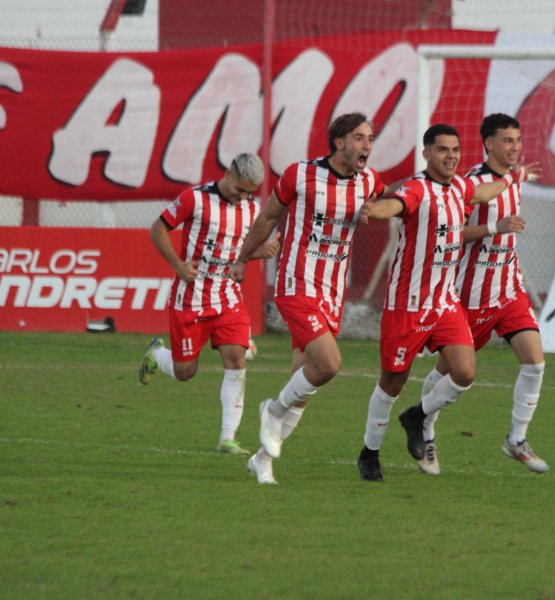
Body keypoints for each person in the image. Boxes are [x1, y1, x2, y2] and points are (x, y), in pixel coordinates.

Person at [354, 123, 532, 482]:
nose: (450, 156)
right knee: (392, 382)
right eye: (442, 150)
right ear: (426, 154)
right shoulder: (417, 189)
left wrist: (512, 178)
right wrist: (374, 210)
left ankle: (416, 416)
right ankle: (369, 454)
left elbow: (484, 191)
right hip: (408, 304)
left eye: (455, 150)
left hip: (445, 302)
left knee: (464, 373)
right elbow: (394, 205)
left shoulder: (461, 188)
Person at [229, 113, 384, 485]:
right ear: (339, 142)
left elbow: (387, 199)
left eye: (370, 138)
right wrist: (243, 258)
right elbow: (268, 217)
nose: (367, 145)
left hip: (331, 293)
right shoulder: (300, 174)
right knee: (329, 364)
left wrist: (376, 210)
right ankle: (271, 410)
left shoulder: (370, 181)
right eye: (359, 137)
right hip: (297, 284)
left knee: (303, 386)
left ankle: (262, 459)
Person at [416, 113, 548, 475]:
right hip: (471, 295)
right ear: (489, 144)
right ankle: (424, 428)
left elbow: (514, 194)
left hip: (509, 290)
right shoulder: (470, 185)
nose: (515, 147)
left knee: (535, 363)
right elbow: (450, 232)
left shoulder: (514, 179)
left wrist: (521, 177)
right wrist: (495, 227)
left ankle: (516, 440)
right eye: (507, 140)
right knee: (449, 373)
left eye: (518, 140)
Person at [139, 153, 281, 455]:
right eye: (239, 190)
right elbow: (157, 229)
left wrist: (261, 251)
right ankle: (156, 355)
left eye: (248, 193)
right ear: (228, 172)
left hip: (227, 296)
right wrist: (178, 265)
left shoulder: (251, 209)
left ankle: (228, 438)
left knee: (236, 357)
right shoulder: (194, 199)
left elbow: (237, 253)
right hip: (190, 299)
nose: (242, 197)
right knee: (184, 372)